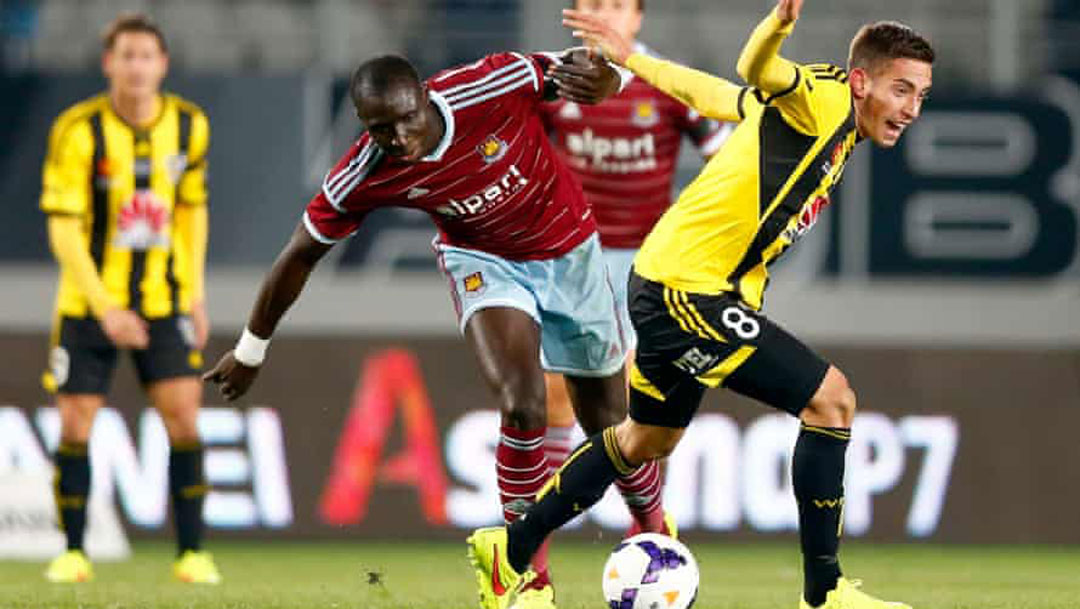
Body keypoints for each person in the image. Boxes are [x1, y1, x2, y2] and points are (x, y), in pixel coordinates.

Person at [467, 1, 934, 608]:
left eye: (921, 96)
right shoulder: (821, 99)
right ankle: (825, 594)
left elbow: (719, 94)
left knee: (644, 442)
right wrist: (779, 26)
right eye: (902, 91)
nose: (911, 110)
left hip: (671, 281)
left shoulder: (827, 122)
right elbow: (754, 65)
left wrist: (633, 58)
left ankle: (511, 547)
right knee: (832, 398)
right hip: (686, 290)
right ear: (862, 80)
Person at [202, 49, 672, 605]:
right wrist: (251, 350)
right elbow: (299, 254)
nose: (399, 138)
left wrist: (610, 77)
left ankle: (653, 526)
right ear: (362, 123)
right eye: (381, 128)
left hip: (570, 249)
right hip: (483, 264)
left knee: (610, 423)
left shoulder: (494, 83)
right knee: (522, 404)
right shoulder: (366, 172)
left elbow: (584, 69)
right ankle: (522, 572)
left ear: (424, 97)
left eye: (407, 119)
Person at [531, 2, 729, 606]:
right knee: (556, 402)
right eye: (590, 2)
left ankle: (648, 529)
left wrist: (701, 237)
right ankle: (533, 561)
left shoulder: (668, 84)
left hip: (649, 265)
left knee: (633, 410)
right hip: (571, 258)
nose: (601, 13)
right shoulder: (551, 81)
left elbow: (729, 162)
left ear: (637, 19)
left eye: (615, 4)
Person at [39, 12, 218, 584]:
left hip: (164, 301)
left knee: (185, 418)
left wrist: (193, 292)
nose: (136, 65)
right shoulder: (77, 130)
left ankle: (192, 554)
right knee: (75, 423)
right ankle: (73, 553)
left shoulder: (191, 127)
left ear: (162, 64)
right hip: (89, 305)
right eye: (127, 55)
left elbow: (192, 209)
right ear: (108, 63)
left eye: (147, 55)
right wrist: (104, 307)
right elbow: (64, 229)